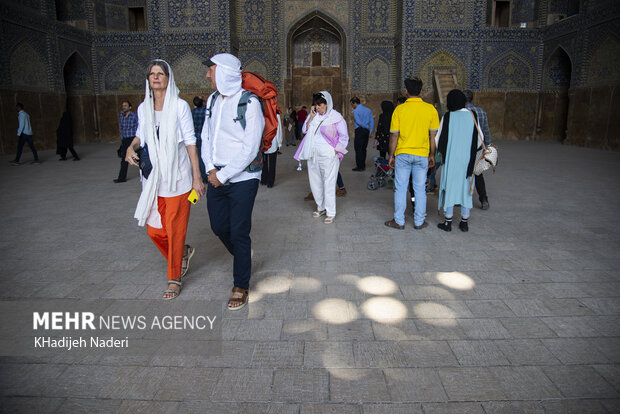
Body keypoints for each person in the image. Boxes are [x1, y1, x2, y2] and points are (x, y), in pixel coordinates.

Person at [125, 59, 205, 300]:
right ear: (148, 79)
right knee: (154, 231)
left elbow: (190, 142)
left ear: (169, 79)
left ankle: (174, 278)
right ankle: (182, 254)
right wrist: (132, 146)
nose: (156, 77)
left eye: (161, 74)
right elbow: (141, 134)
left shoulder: (179, 107)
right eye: (152, 74)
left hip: (178, 179)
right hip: (153, 180)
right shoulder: (143, 108)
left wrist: (196, 178)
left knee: (175, 229)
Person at [200, 53, 264, 311]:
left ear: (225, 72)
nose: (207, 74)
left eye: (211, 69)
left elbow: (250, 148)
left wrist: (223, 176)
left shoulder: (250, 103)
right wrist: (211, 169)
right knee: (218, 227)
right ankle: (242, 256)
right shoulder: (213, 100)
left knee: (238, 231)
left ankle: (241, 284)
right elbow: (206, 137)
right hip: (216, 173)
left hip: (244, 177)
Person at [384, 77, 439, 230]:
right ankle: (419, 221)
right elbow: (433, 136)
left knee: (400, 188)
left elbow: (394, 136)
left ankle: (399, 221)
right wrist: (432, 155)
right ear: (421, 91)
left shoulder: (399, 110)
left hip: (403, 154)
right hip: (422, 154)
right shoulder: (430, 110)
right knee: (420, 188)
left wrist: (391, 156)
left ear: (406, 91)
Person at [295, 91, 349, 224]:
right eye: (315, 105)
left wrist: (336, 151)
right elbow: (304, 131)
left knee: (329, 182)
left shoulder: (336, 118)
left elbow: (344, 136)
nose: (317, 107)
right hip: (313, 153)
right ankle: (321, 207)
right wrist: (312, 117)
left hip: (329, 153)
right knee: (315, 181)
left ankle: (331, 211)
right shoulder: (313, 116)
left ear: (327, 104)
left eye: (320, 105)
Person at [435, 89, 482, 232]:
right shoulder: (472, 115)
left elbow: (439, 140)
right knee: (466, 188)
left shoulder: (448, 117)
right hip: (468, 159)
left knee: (450, 187)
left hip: (451, 159)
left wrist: (443, 153)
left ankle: (448, 222)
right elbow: (480, 140)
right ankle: (464, 222)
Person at [464, 89, 491, 210]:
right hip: (478, 148)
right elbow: (486, 131)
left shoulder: (461, 113)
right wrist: (488, 146)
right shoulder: (481, 111)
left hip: (464, 148)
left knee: (463, 173)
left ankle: (462, 199)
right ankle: (484, 199)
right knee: (478, 173)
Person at [115, 101, 138, 183]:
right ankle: (121, 178)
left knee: (140, 157)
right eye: (123, 105)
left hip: (133, 139)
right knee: (124, 159)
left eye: (125, 105)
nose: (124, 107)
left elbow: (139, 126)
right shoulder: (122, 116)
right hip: (125, 139)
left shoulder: (134, 116)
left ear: (130, 107)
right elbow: (121, 128)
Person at [350, 97, 374, 171]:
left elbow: (358, 122)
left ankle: (359, 166)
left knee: (358, 149)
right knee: (363, 148)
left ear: (354, 103)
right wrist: (371, 130)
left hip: (360, 131)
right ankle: (363, 165)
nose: (352, 106)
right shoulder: (368, 110)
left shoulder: (356, 111)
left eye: (352, 104)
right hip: (366, 131)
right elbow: (372, 121)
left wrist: (366, 127)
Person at [261, 112, 283, 188]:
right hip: (271, 142)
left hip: (265, 141)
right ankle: (270, 181)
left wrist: (279, 143)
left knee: (264, 162)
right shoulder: (275, 114)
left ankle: (265, 180)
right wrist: (279, 143)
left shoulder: (261, 111)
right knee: (271, 163)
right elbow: (279, 129)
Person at [191, 96, 207, 181]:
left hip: (196, 136)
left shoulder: (193, 112)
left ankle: (201, 175)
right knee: (206, 155)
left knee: (200, 156)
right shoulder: (205, 110)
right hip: (205, 136)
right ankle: (206, 175)